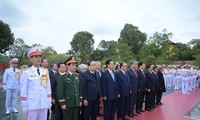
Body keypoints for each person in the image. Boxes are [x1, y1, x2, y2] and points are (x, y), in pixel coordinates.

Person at [20, 47, 52, 120]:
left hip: (44, 103)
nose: (38, 58)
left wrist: (49, 100)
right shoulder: (26, 73)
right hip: (32, 104)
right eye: (35, 57)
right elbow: (23, 90)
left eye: (39, 56)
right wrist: (24, 105)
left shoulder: (45, 71)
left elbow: (48, 87)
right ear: (30, 59)